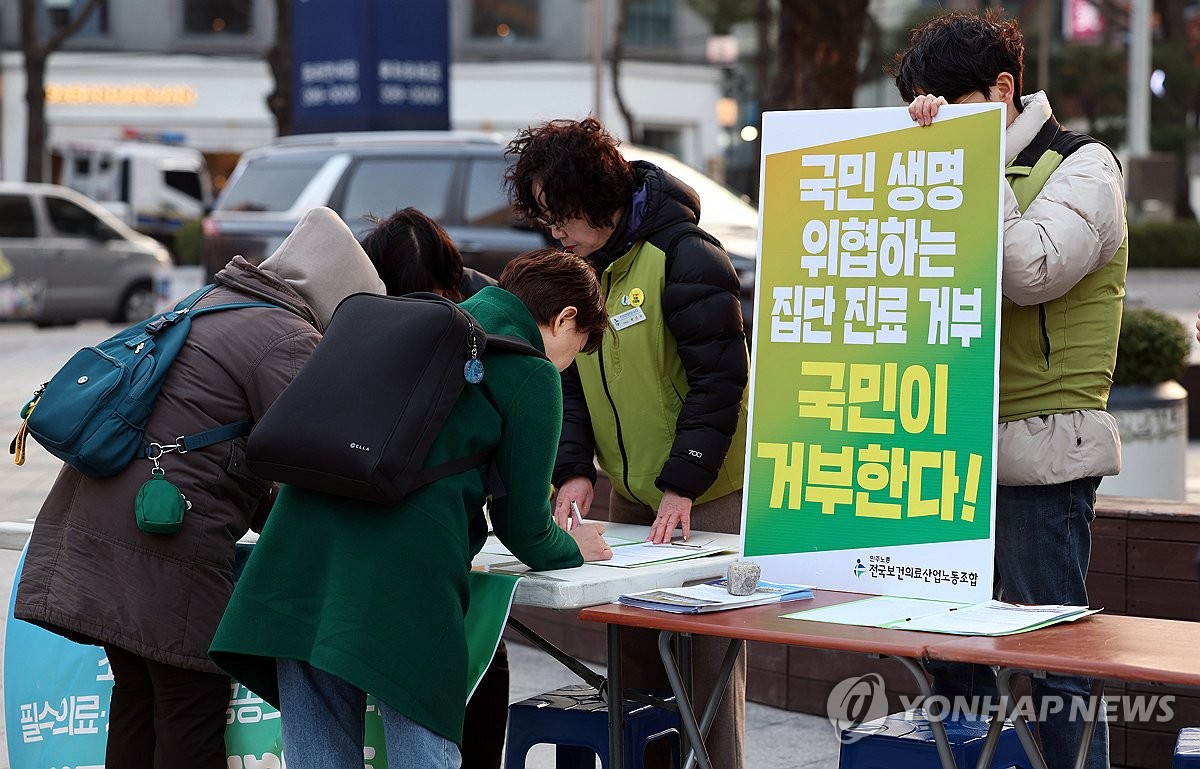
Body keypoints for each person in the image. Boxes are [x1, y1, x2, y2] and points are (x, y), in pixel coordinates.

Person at [12, 206, 387, 769]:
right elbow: (309, 463)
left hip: (100, 517)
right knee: (190, 702)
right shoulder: (286, 337)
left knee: (139, 699)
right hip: (162, 544)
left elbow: (227, 442)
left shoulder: (211, 303)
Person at [209, 248, 613, 769]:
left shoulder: (417, 326)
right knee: (422, 741)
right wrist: (574, 547)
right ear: (564, 319)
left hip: (298, 552)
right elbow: (526, 529)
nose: (567, 363)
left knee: (318, 752)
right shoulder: (530, 372)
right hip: (400, 575)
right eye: (576, 349)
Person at [892, 11, 1127, 769]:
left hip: (1039, 451)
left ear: (1003, 88)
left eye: (947, 105)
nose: (935, 121)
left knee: (1056, 658)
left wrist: (968, 163)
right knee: (951, 651)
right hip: (944, 447)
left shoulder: (1086, 166)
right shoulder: (948, 154)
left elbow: (1030, 272)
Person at [504, 117, 751, 769]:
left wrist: (684, 480)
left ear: (597, 195)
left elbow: (721, 379)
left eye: (559, 214)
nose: (553, 230)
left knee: (707, 670)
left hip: (705, 492)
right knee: (636, 662)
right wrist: (575, 470)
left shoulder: (686, 254)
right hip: (629, 490)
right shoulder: (579, 269)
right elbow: (573, 379)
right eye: (543, 217)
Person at [358, 206, 506, 769]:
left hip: (445, 538)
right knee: (426, 687)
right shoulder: (361, 330)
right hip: (409, 551)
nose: (432, 312)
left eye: (440, 297)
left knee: (478, 663)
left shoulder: (486, 322)